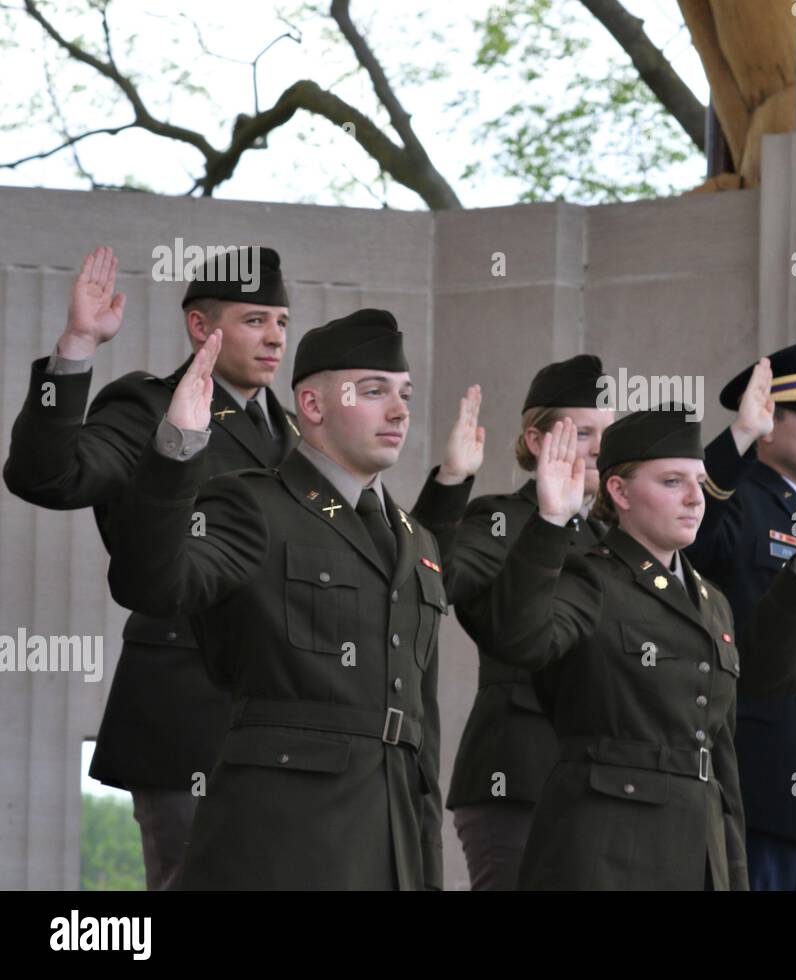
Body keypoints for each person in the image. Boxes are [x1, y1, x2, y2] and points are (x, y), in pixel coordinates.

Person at [104, 309, 483, 889]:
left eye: (404, 393)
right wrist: (177, 451)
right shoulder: (251, 504)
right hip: (279, 838)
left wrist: (426, 874)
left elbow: (416, 736)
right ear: (312, 406)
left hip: (391, 843)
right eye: (375, 391)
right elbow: (152, 583)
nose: (400, 410)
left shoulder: (418, 541)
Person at [3, 244, 296, 890]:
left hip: (288, 715)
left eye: (281, 321)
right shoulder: (150, 406)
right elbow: (46, 475)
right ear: (201, 326)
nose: (275, 337)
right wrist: (76, 346)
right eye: (254, 320)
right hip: (188, 710)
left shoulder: (300, 438)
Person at [483, 409, 796, 890]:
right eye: (672, 482)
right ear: (619, 492)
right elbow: (518, 638)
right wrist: (549, 522)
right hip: (604, 855)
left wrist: (732, 875)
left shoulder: (712, 603)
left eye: (700, 482)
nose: (695, 498)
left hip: (698, 853)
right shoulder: (589, 577)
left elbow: (720, 758)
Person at [412, 353, 614, 891]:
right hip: (519, 778)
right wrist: (452, 482)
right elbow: (429, 579)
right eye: (584, 432)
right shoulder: (501, 520)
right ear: (534, 441)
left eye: (608, 434)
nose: (600, 448)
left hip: (597, 789)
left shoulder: (610, 542)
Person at [685, 342, 796, 891]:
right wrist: (735, 439)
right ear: (767, 425)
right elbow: (691, 528)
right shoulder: (736, 499)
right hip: (758, 773)